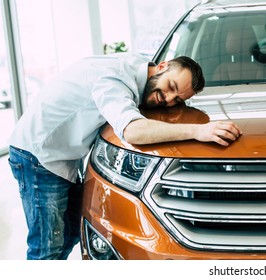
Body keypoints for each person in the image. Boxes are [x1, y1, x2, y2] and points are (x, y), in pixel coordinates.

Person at [7, 52, 242, 260]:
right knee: (46, 248)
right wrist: (198, 130)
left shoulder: (140, 67)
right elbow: (133, 131)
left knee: (68, 234)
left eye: (178, 99)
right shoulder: (114, 80)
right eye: (171, 86)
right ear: (162, 66)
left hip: (62, 157)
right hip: (38, 156)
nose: (169, 100)